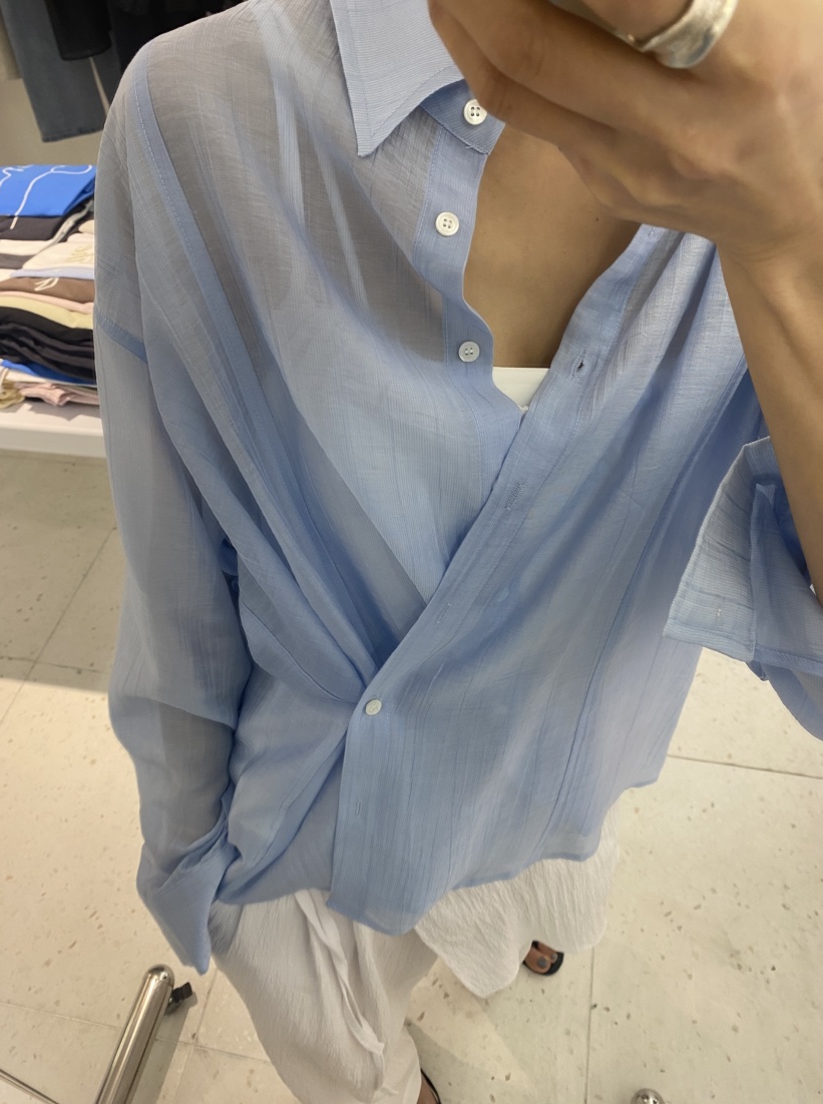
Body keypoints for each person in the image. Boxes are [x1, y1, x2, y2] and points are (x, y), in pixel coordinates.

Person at [93, 0, 823, 1101]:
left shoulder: (802, 130)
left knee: (544, 896)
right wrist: (190, 845)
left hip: (565, 774)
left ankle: (520, 934)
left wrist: (789, 240)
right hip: (318, 814)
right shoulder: (200, 105)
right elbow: (176, 556)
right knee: (348, 1054)